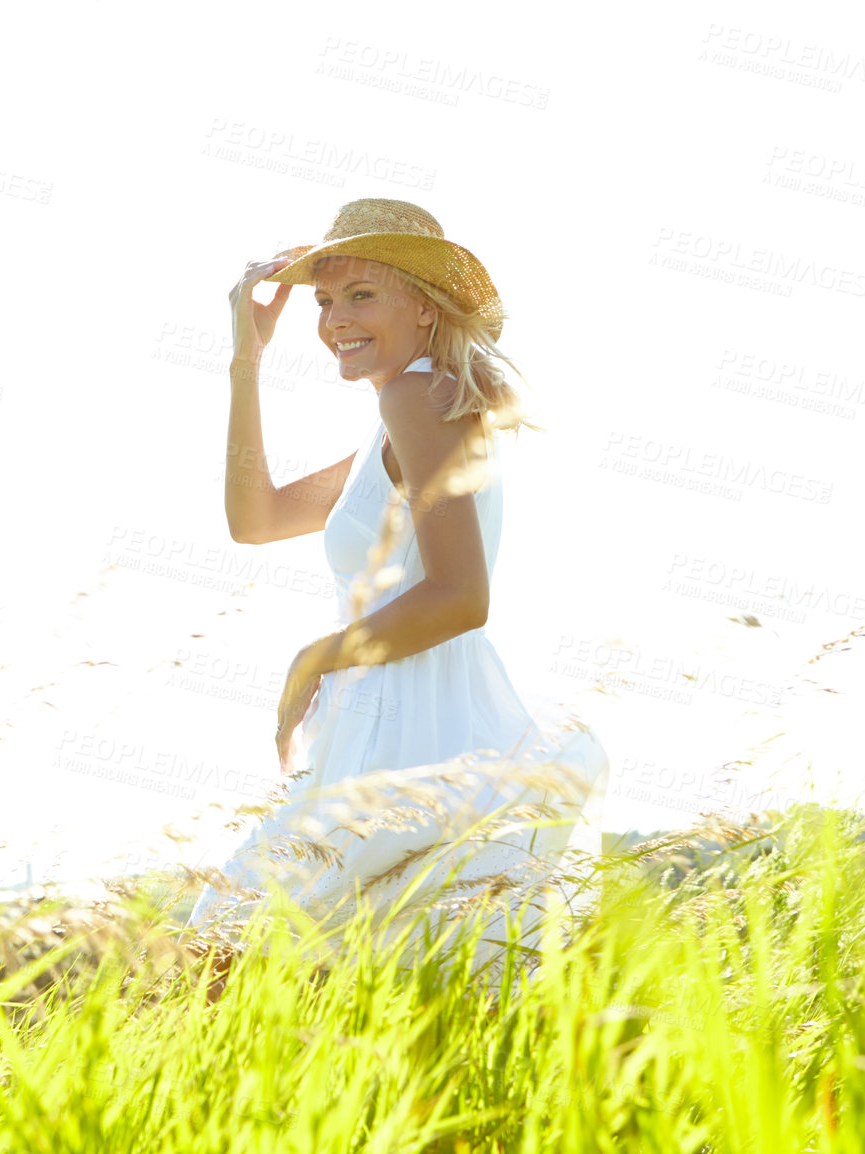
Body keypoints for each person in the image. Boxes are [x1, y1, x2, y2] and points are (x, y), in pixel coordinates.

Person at [181, 199, 611, 1004]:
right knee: (341, 977)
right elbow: (256, 518)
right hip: (396, 715)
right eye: (324, 301)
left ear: (423, 304)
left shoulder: (416, 398)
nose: (335, 320)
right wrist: (247, 360)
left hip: (409, 719)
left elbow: (459, 595)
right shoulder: (412, 412)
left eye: (361, 296)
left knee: (231, 953)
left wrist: (319, 655)